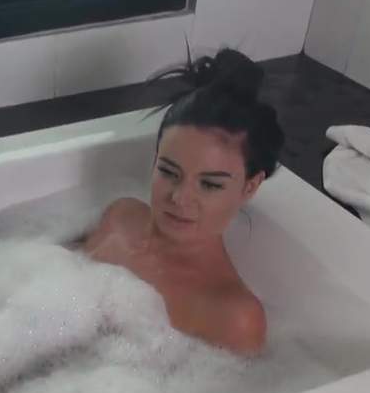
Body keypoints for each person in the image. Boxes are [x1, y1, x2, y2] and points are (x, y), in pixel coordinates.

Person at [83, 48, 285, 355]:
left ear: (249, 186)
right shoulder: (120, 218)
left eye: (209, 184)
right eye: (168, 172)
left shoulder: (235, 318)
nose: (179, 198)